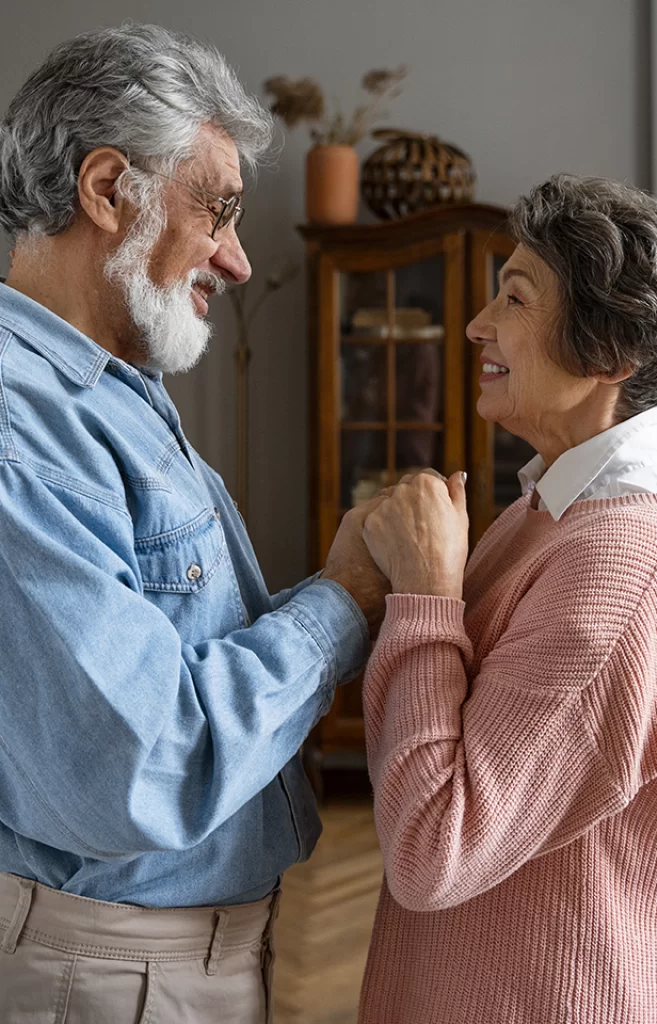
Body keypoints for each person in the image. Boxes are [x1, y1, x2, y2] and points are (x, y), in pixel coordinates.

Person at [0, 24, 387, 1023]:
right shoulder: (21, 424)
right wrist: (343, 602)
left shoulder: (108, 393)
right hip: (104, 976)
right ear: (104, 189)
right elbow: (142, 766)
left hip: (157, 962)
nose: (238, 258)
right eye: (216, 208)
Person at [357, 175, 657, 1024]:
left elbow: (432, 848)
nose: (477, 324)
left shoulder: (619, 564)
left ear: (609, 354)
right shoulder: (550, 512)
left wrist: (425, 595)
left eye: (515, 299)